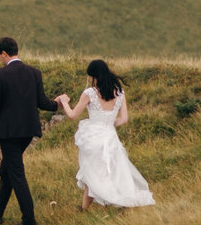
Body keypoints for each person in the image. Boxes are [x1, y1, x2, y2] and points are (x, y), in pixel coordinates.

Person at [56, 60, 155, 210]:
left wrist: (64, 101)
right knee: (112, 173)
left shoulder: (90, 93)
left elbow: (72, 115)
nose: (89, 80)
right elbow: (124, 119)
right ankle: (86, 208)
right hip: (110, 137)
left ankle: (92, 206)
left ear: (94, 76)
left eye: (89, 77)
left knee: (92, 173)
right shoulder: (119, 93)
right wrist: (107, 123)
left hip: (93, 138)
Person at [0, 37, 47, 225]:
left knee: (17, 175)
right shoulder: (34, 73)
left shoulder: (0, 75)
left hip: (9, 134)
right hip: (28, 132)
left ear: (3, 53)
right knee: (6, 171)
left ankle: (29, 222)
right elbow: (42, 103)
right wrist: (59, 102)